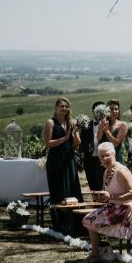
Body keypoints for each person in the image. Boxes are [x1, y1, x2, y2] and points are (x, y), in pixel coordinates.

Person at [81, 142, 132, 263]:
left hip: (127, 208)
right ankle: (100, 250)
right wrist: (101, 197)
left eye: (107, 155)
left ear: (114, 154)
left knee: (90, 220)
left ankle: (95, 254)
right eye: (101, 156)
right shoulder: (106, 172)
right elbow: (108, 194)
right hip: (114, 206)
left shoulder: (121, 171)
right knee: (88, 219)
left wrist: (111, 197)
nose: (104, 159)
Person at [44, 98, 83, 232]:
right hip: (55, 160)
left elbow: (77, 144)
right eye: (61, 106)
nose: (64, 108)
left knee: (72, 188)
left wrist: (76, 132)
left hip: (69, 159)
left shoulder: (71, 122)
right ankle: (60, 224)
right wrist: (65, 138)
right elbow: (48, 143)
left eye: (66, 106)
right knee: (58, 189)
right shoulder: (50, 123)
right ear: (56, 108)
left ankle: (75, 224)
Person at [80, 101, 105, 191]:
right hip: (90, 160)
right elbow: (81, 145)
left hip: (104, 160)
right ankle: (95, 204)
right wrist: (88, 146)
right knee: (92, 186)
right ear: (93, 111)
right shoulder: (86, 126)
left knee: (104, 186)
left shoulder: (108, 125)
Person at [98, 99, 126, 163]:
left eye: (116, 109)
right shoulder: (102, 123)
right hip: (103, 160)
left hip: (116, 160)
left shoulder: (122, 125)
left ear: (119, 111)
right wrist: (100, 128)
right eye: (111, 109)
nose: (114, 111)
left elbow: (116, 144)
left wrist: (107, 131)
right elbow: (99, 139)